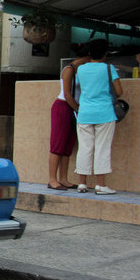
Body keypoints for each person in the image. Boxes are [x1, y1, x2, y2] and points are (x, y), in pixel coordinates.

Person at [66, 39, 122, 195]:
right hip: (104, 113)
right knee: (102, 148)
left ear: (89, 53)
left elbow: (80, 88)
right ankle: (100, 185)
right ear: (105, 53)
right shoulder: (109, 68)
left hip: (84, 113)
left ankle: (82, 184)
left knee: (85, 148)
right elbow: (119, 91)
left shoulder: (81, 70)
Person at [47, 44, 89, 190]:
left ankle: (63, 178)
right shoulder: (69, 69)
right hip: (64, 106)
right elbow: (67, 94)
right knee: (58, 144)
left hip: (73, 108)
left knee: (68, 145)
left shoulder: (81, 70)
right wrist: (77, 109)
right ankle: (52, 179)